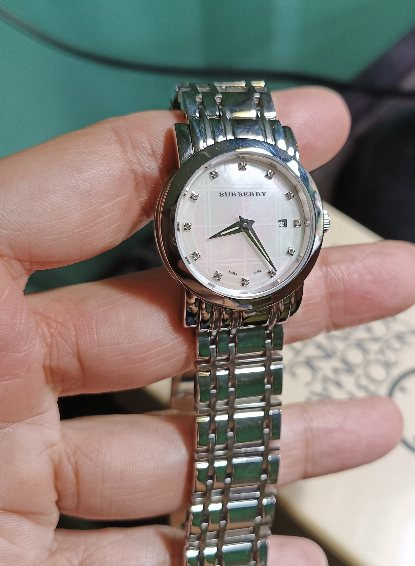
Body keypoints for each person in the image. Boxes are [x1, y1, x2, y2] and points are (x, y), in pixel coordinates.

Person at [0, 86, 412, 566]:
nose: (247, 225)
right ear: (168, 229)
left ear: (312, 223)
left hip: (268, 290)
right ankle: (218, 529)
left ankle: (221, 526)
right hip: (222, 295)